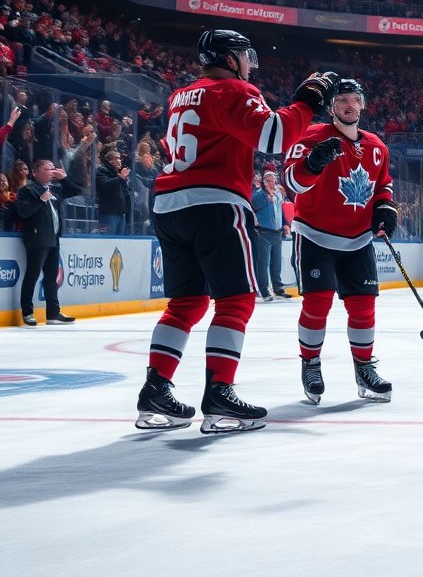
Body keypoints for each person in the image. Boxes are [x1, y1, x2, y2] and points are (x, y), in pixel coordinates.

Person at [135, 29, 334, 434]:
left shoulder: (180, 95)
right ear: (229, 59)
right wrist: (308, 101)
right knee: (237, 300)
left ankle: (155, 389)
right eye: (244, 56)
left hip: (169, 205)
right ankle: (220, 394)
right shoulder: (233, 90)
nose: (248, 65)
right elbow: (274, 136)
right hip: (215, 203)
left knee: (186, 304)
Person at [283, 79, 398, 404]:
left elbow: (383, 186)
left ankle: (364, 368)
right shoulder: (310, 137)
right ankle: (311, 364)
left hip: (358, 239)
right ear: (331, 106)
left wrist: (385, 208)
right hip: (315, 234)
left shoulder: (377, 146)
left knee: (363, 307)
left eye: (354, 100)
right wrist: (313, 164)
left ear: (362, 105)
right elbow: (293, 181)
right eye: (342, 100)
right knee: (317, 304)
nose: (349, 105)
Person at [14, 159, 82, 326]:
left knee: (52, 277)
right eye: (47, 169)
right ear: (36, 172)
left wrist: (64, 177)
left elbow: (76, 190)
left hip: (53, 238)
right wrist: (40, 200)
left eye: (53, 168)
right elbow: (23, 212)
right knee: (33, 275)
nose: (52, 171)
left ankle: (53, 313)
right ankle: (27, 312)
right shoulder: (27, 190)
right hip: (37, 239)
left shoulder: (55, 189)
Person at [250, 170, 290, 301]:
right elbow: (254, 205)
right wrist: (267, 196)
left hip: (277, 232)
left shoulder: (279, 193)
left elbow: (281, 210)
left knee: (276, 263)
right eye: (267, 179)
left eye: (272, 178)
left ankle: (278, 288)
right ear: (263, 181)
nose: (270, 181)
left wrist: (285, 224)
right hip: (263, 233)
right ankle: (264, 290)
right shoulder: (258, 194)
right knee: (263, 263)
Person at [95, 149, 132, 235]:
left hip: (120, 213)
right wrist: (120, 178)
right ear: (110, 161)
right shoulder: (102, 171)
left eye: (120, 158)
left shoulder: (118, 173)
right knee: (108, 241)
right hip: (109, 213)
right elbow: (104, 186)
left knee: (119, 242)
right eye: (117, 158)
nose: (120, 161)